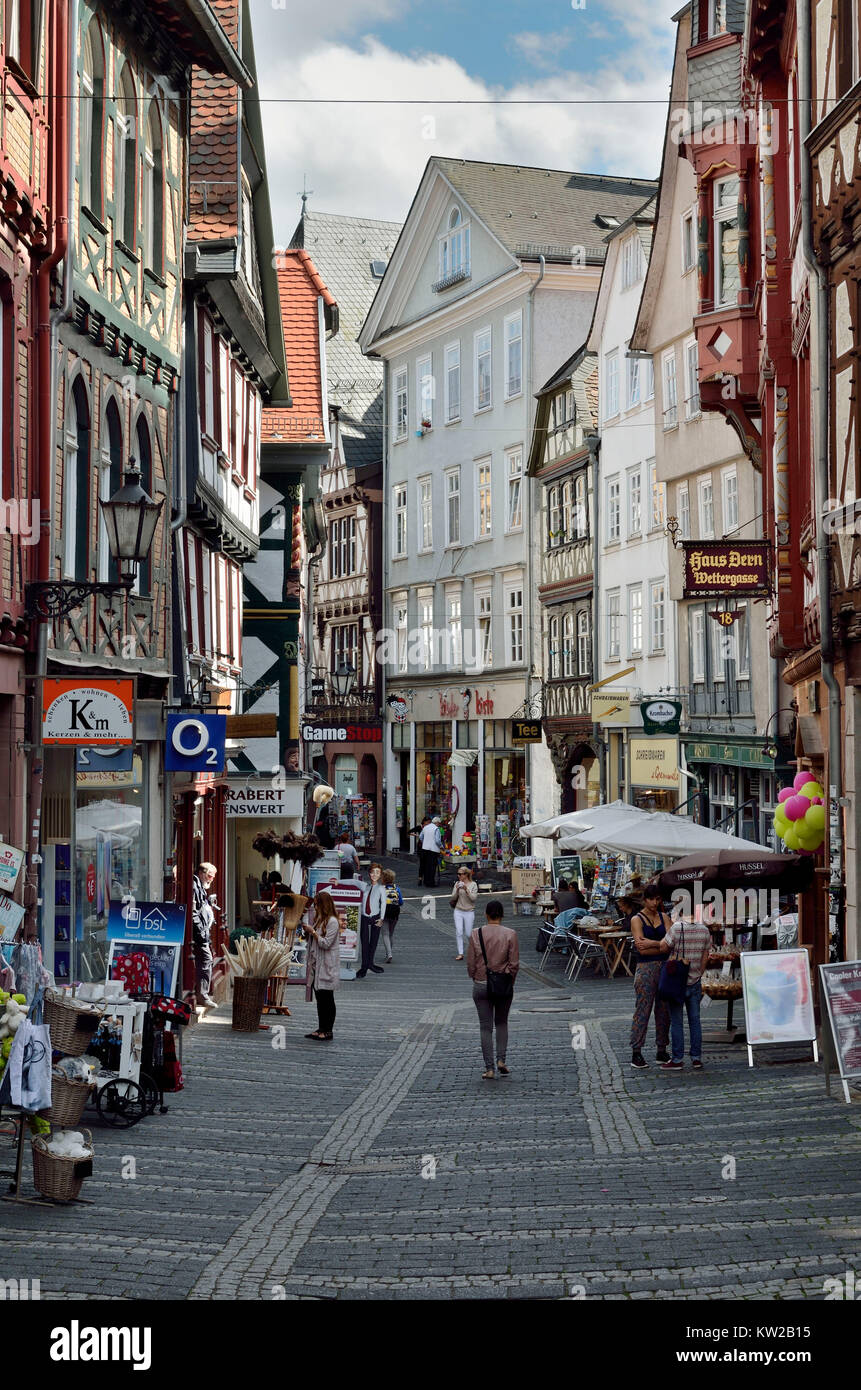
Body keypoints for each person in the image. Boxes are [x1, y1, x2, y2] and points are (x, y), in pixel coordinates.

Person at [466, 899, 520, 1080]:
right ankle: (501, 1060)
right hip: (503, 983)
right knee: (502, 1023)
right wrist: (510, 979)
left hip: (481, 983)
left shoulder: (476, 933)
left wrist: (474, 976)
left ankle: (489, 1069)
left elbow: (471, 962)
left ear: (486, 914)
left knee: (485, 1027)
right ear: (502, 915)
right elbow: (514, 963)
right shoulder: (510, 934)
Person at [657, 913, 713, 1071]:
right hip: (695, 981)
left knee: (677, 1021)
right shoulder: (704, 930)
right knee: (695, 1021)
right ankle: (696, 1058)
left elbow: (663, 946)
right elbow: (705, 956)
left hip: (677, 983)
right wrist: (699, 974)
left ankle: (677, 1059)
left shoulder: (676, 928)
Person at [628, 883, 672, 1069]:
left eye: (658, 899)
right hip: (646, 968)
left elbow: (671, 943)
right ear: (645, 900)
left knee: (664, 1011)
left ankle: (661, 1049)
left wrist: (653, 944)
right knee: (643, 1009)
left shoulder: (664, 917)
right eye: (652, 899)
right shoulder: (637, 919)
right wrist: (661, 944)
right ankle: (636, 1051)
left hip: (665, 967)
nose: (655, 903)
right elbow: (641, 948)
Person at [303, 891, 341, 1040]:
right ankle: (321, 1028)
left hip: (327, 965)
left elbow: (325, 943)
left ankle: (328, 1030)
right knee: (320, 998)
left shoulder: (332, 921)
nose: (315, 907)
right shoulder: (319, 919)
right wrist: (309, 933)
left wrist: (313, 932)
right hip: (317, 965)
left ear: (323, 905)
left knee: (327, 998)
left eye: (317, 904)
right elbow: (314, 940)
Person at [191, 862, 218, 1008]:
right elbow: (193, 911)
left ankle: (202, 994)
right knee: (206, 959)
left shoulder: (199, 886)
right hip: (197, 933)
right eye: (209, 876)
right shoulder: (195, 886)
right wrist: (201, 931)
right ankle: (202, 995)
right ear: (202, 873)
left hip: (200, 932)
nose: (211, 880)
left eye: (213, 877)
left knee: (205, 959)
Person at [356, 862, 386, 977]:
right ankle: (364, 967)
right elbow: (353, 882)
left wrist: (382, 918)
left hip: (375, 917)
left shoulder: (381, 888)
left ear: (380, 875)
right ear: (369, 873)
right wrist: (338, 882)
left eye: (377, 872)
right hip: (364, 917)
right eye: (373, 872)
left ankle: (371, 964)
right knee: (364, 943)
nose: (374, 874)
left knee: (373, 942)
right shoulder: (365, 886)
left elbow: (383, 904)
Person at [449, 865, 478, 962]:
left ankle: (473, 950)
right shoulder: (457, 883)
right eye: (458, 874)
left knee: (469, 933)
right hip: (458, 910)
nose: (458, 876)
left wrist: (466, 889)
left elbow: (473, 898)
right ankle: (460, 953)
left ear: (466, 874)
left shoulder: (473, 884)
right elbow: (453, 897)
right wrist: (457, 889)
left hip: (469, 911)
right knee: (459, 931)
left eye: (460, 874)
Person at [380, 869, 403, 963]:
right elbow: (401, 902)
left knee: (385, 934)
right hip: (395, 913)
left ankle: (389, 954)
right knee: (391, 933)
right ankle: (388, 953)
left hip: (384, 913)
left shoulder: (381, 889)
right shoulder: (397, 888)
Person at [419, 816, 443, 888]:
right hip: (433, 850)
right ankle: (431, 883)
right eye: (439, 823)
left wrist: (425, 842)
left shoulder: (425, 827)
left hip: (424, 849)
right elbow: (437, 840)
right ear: (437, 822)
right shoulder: (436, 829)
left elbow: (420, 837)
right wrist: (441, 846)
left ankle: (426, 882)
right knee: (432, 867)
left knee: (426, 866)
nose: (439, 825)